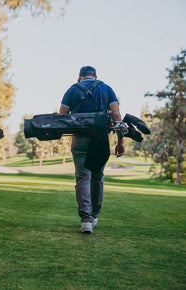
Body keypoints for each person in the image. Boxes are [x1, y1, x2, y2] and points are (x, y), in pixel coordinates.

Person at [59, 66, 125, 234]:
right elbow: (117, 116)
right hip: (100, 139)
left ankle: (85, 221)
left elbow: (62, 117)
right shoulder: (106, 88)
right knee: (97, 177)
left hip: (79, 138)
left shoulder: (72, 90)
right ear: (95, 77)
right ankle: (94, 215)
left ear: (79, 77)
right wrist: (120, 141)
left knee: (82, 178)